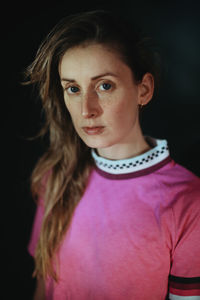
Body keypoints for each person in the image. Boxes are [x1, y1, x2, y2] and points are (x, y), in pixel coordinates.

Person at [25, 9, 200, 300]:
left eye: (104, 86)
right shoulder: (56, 179)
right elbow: (43, 290)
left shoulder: (188, 202)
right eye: (73, 88)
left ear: (143, 90)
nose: (86, 110)